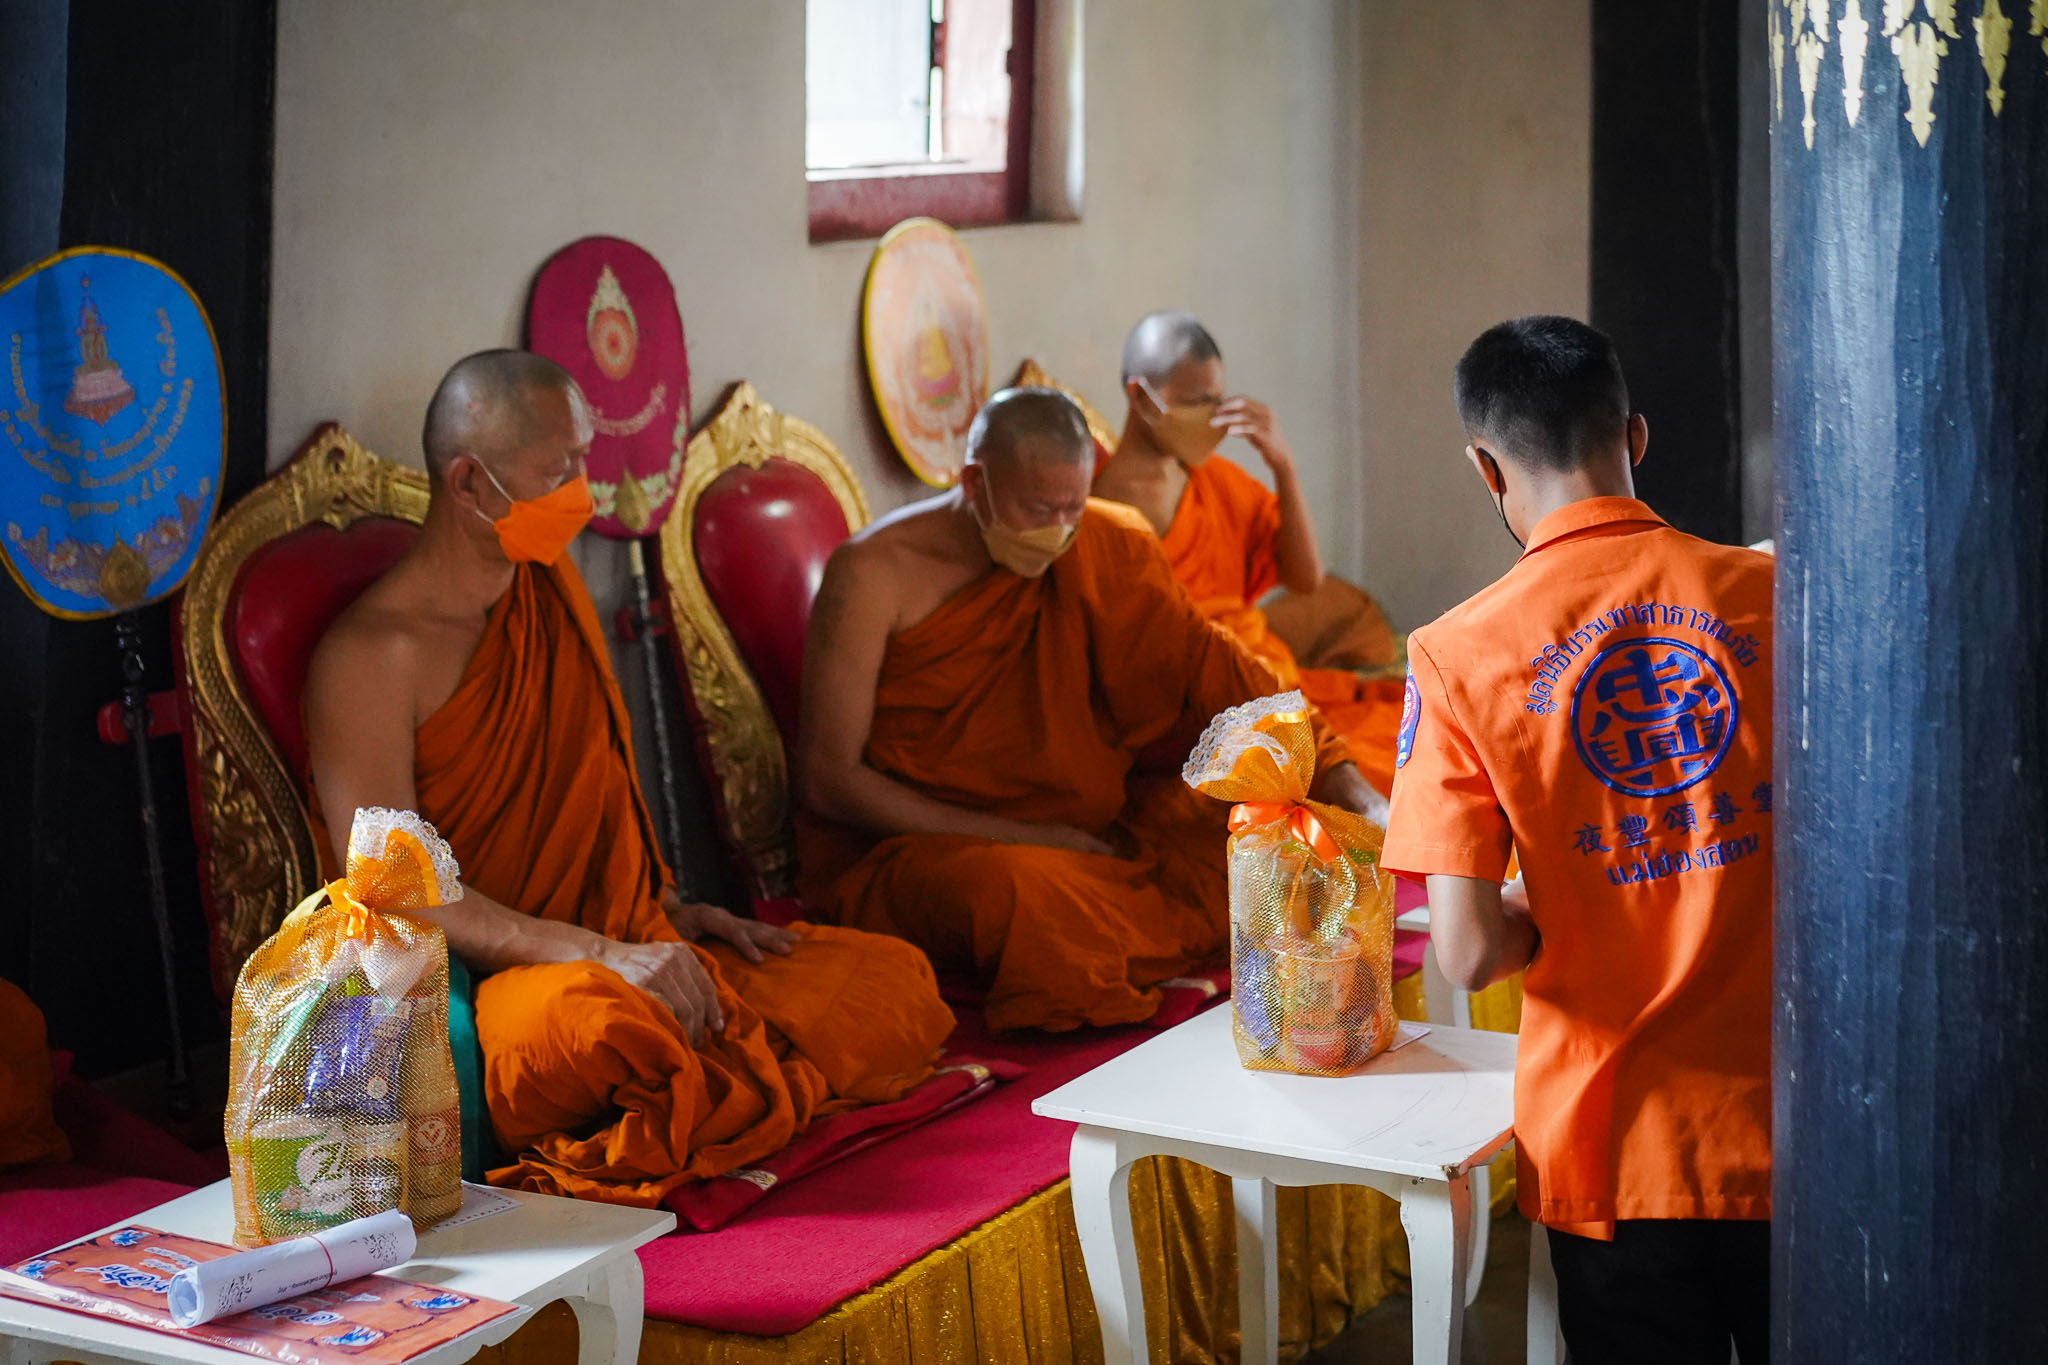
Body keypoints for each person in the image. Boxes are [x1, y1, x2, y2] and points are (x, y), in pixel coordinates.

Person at [304, 350, 954, 1206]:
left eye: (585, 461)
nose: (584, 493)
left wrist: (664, 910)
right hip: (508, 981)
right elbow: (398, 890)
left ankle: (724, 1083)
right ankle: (726, 1078)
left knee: (891, 978)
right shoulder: (372, 655)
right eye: (560, 471)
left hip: (619, 939)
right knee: (612, 1031)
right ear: (467, 482)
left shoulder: (547, 591)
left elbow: (590, 807)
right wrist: (599, 952)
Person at [1382, 316, 1773, 1363]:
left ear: (1484, 466)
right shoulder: (1772, 594)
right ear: (1633, 436)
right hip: (1797, 1116)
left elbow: (1466, 950)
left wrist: (1547, 901)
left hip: (1612, 1138)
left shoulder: (1455, 654)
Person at [797, 386, 1383, 1032]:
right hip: (932, 841)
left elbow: (1221, 672)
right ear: (974, 482)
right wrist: (1030, 837)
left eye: (1071, 507)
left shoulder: (1104, 540)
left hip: (1089, 828)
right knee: (1023, 898)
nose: (1058, 530)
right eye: (1038, 508)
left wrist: (1350, 787)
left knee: (1258, 835)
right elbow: (830, 781)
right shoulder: (871, 575)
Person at [1093, 311, 1405, 797]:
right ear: (1139, 397)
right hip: (1198, 706)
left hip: (1269, 678)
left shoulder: (1216, 480)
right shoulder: (1105, 507)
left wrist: (1283, 466)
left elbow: (1306, 579)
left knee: (1407, 746)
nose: (1214, 417)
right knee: (1355, 778)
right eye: (1196, 403)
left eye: (1218, 400)